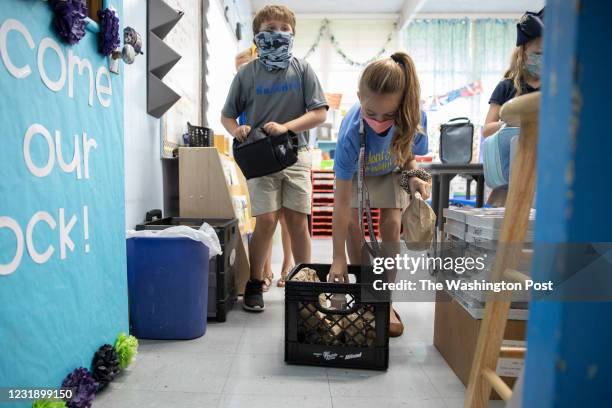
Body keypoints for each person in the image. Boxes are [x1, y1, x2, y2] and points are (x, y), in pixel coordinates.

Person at [221, 5, 328, 312]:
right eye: (271, 27)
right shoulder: (247, 74)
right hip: (260, 157)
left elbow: (318, 113)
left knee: (297, 222)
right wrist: (237, 128)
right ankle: (255, 283)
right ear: (258, 34)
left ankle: (306, 285)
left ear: (293, 34)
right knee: (266, 221)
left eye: (285, 29)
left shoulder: (303, 69)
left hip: (296, 154)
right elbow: (226, 116)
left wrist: (286, 128)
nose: (278, 33)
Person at [328, 52, 431, 337]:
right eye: (371, 113)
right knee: (351, 224)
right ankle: (364, 292)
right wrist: (338, 258)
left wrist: (414, 178)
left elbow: (409, 156)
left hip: (390, 168)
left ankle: (383, 299)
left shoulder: (414, 116)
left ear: (402, 105)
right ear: (360, 96)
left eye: (389, 115)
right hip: (360, 165)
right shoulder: (350, 133)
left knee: (390, 224)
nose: (379, 121)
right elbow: (341, 202)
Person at [234, 46, 295, 291]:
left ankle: (288, 265)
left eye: (243, 70)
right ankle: (265, 269)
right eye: (237, 71)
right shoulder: (241, 91)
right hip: (257, 156)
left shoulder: (268, 86)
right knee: (266, 216)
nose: (240, 75)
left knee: (287, 215)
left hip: (280, 151)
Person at [482, 8, 543, 205]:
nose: (542, 59)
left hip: (543, 177)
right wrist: (512, 125)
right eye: (537, 54)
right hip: (509, 179)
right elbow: (487, 129)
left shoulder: (555, 90)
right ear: (523, 52)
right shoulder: (507, 86)